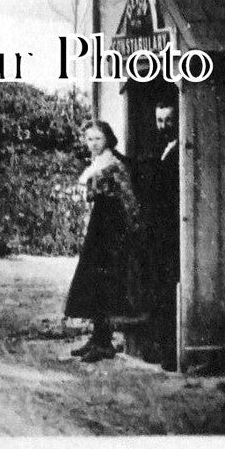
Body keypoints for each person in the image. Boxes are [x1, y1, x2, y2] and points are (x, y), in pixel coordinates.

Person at [64, 120, 144, 363]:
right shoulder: (97, 162)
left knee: (106, 282)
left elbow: (128, 199)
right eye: (89, 139)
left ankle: (104, 343)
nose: (93, 143)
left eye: (98, 138)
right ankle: (97, 339)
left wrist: (133, 230)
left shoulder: (115, 164)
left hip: (112, 228)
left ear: (107, 138)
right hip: (99, 226)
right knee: (93, 281)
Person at [146, 101, 180, 367]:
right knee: (159, 288)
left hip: (175, 230)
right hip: (160, 230)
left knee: (171, 289)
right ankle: (161, 347)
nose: (163, 126)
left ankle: (172, 353)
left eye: (168, 120)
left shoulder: (182, 149)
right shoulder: (162, 149)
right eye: (159, 121)